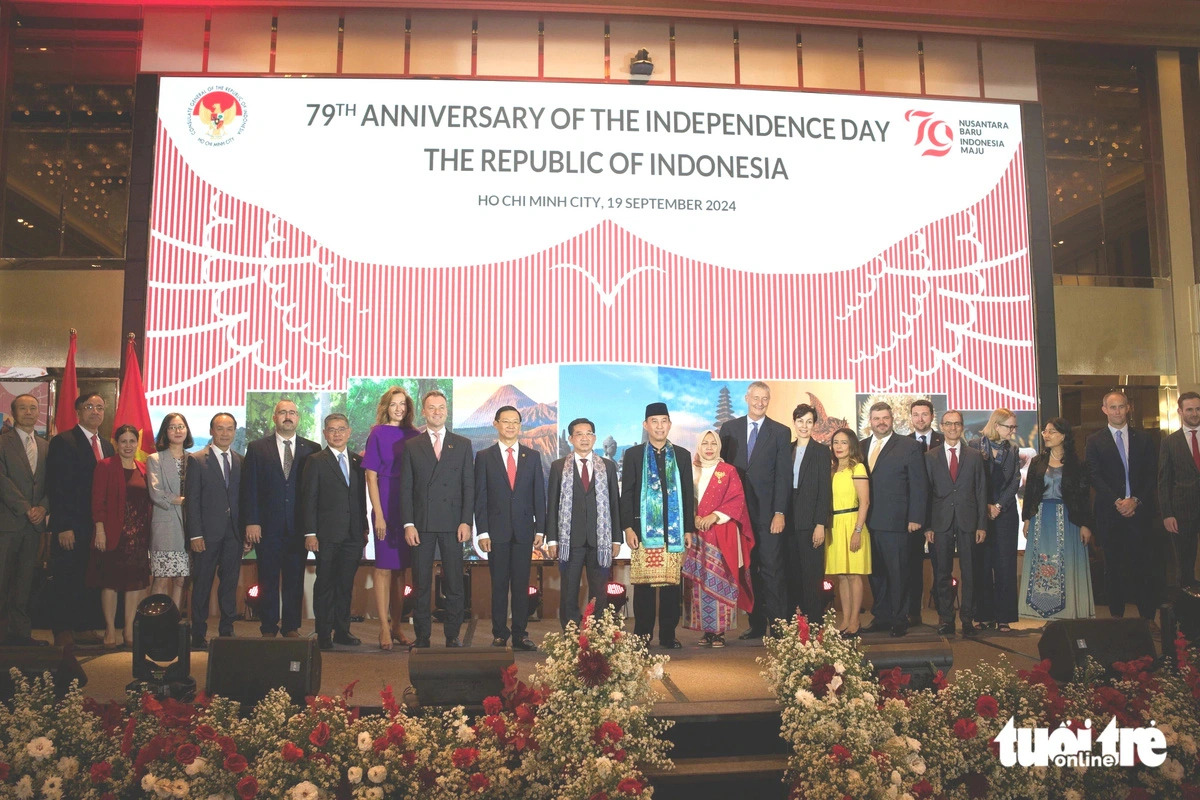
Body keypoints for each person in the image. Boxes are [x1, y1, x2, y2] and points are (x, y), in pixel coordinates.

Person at [400, 390, 474, 649]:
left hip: (454, 525)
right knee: (421, 584)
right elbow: (406, 488)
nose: (437, 411)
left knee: (454, 583)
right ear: (424, 411)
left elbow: (468, 486)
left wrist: (467, 521)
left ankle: (452, 635)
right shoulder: (412, 446)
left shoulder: (462, 444)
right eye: (431, 408)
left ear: (447, 410)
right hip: (422, 525)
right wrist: (408, 523)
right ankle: (422, 636)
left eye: (441, 407)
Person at [241, 399, 320, 638]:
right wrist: (251, 521)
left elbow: (315, 492)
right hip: (267, 526)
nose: (288, 416)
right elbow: (250, 487)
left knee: (295, 579)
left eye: (292, 412)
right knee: (267, 578)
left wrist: (312, 528)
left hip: (299, 527)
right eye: (283, 412)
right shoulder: (257, 448)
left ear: (298, 418)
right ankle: (268, 626)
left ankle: (291, 626)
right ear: (274, 418)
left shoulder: (312, 449)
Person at [718, 382, 790, 640]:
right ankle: (757, 625)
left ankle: (779, 626)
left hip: (769, 515)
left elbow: (783, 476)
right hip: (737, 515)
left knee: (772, 569)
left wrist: (780, 512)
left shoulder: (780, 432)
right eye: (756, 397)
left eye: (765, 398)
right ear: (747, 398)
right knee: (748, 570)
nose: (760, 402)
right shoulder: (729, 429)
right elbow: (720, 472)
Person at [621, 402, 695, 650]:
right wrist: (628, 528)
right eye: (654, 421)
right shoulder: (633, 455)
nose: (660, 426)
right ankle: (641, 637)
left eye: (664, 421)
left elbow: (686, 493)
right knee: (643, 587)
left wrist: (687, 529)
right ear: (646, 425)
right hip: (643, 531)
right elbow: (627, 493)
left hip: (673, 532)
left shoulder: (682, 455)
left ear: (670, 424)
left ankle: (667, 635)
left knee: (671, 587)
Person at [1084, 390, 1158, 623]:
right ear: (1104, 410)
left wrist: (1134, 500)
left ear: (1129, 408)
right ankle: (1117, 618)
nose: (1117, 411)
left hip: (1140, 512)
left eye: (1121, 406)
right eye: (1112, 407)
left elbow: (1150, 475)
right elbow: (1094, 475)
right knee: (1113, 568)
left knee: (1144, 567)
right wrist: (1118, 501)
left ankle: (1147, 618)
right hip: (1110, 513)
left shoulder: (1144, 439)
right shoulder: (1094, 440)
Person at [475, 405, 545, 651]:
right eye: (506, 421)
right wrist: (482, 531)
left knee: (520, 584)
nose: (511, 426)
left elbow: (539, 495)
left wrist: (541, 529)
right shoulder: (484, 457)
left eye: (516, 421)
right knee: (499, 584)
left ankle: (520, 633)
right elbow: (480, 496)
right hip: (496, 532)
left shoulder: (532, 456)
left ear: (520, 425)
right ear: (496, 423)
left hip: (525, 530)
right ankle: (499, 633)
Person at [47, 392, 113, 647]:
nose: (95, 411)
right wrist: (63, 526)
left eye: (100, 407)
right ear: (78, 412)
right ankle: (62, 629)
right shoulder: (64, 441)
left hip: (97, 526)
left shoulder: (106, 445)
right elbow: (57, 486)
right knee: (67, 576)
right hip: (72, 525)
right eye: (89, 407)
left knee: (89, 576)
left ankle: (83, 626)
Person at [300, 413, 368, 651]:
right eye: (332, 429)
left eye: (341, 429)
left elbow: (361, 499)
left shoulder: (359, 462)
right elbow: (309, 499)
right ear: (325, 433)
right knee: (325, 584)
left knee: (345, 585)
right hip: (326, 535)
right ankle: (323, 633)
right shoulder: (316, 460)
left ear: (349, 432)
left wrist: (364, 530)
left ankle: (342, 630)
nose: (337, 433)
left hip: (353, 536)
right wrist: (310, 533)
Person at [545, 418, 621, 630]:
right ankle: (570, 631)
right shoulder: (559, 467)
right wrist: (552, 539)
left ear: (595, 438)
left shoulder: (607, 466)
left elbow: (615, 502)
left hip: (601, 540)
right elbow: (551, 505)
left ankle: (597, 632)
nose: (584, 438)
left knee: (599, 591)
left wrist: (616, 538)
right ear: (571, 439)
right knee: (569, 590)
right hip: (570, 540)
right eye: (579, 434)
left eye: (589, 433)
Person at [860, 402, 928, 637]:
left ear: (892, 419)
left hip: (897, 523)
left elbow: (919, 484)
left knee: (898, 573)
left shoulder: (909, 446)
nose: (881, 422)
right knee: (876, 573)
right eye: (877, 418)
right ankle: (882, 616)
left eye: (885, 418)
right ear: (870, 421)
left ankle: (900, 619)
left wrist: (916, 517)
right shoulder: (860, 447)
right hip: (867, 523)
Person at [682, 430, 754, 647]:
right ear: (698, 446)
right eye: (705, 443)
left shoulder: (728, 471)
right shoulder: (690, 470)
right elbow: (685, 499)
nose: (709, 447)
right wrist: (691, 517)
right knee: (699, 583)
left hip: (722, 533)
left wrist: (714, 516)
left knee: (722, 580)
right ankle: (705, 630)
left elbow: (737, 500)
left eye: (714, 443)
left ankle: (720, 631)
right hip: (696, 534)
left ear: (720, 446)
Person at [363, 386, 420, 650]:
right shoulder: (377, 433)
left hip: (408, 505)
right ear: (386, 407)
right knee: (384, 567)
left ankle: (398, 626)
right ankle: (384, 627)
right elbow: (371, 476)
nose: (399, 408)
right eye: (394, 404)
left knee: (401, 570)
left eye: (403, 405)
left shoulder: (415, 434)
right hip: (385, 501)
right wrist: (379, 516)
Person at [1019, 418, 1094, 620]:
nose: (1046, 435)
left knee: (1067, 561)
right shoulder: (1037, 462)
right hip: (1041, 518)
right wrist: (1027, 519)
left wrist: (1085, 524)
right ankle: (1040, 610)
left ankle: (1069, 610)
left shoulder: (1077, 464)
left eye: (1051, 431)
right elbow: (1030, 493)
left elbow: (1083, 496)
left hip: (1069, 519)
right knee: (1042, 560)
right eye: (1044, 431)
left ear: (1063, 435)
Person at [923, 411, 987, 638]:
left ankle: (967, 619)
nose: (952, 428)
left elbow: (981, 491)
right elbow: (927, 493)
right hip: (940, 522)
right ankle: (947, 620)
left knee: (970, 572)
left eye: (956, 424)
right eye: (948, 424)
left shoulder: (974, 455)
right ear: (941, 426)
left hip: (968, 521)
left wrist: (982, 525)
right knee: (941, 572)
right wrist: (928, 526)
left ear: (962, 427)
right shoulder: (930, 457)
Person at [89, 424, 151, 648]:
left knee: (135, 585)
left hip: (139, 538)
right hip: (113, 534)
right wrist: (100, 530)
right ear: (116, 443)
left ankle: (128, 630)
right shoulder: (105, 466)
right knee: (111, 583)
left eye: (131, 441)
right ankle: (109, 630)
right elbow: (98, 501)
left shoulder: (143, 467)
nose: (127, 445)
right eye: (123, 441)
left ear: (137, 443)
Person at [185, 413, 243, 649]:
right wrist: (195, 535)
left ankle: (227, 630)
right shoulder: (197, 460)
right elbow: (192, 500)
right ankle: (198, 634)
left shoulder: (241, 460)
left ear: (235, 432)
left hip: (234, 534)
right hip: (206, 535)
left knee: (229, 584)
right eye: (220, 428)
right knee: (202, 585)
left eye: (230, 429)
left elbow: (243, 499)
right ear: (212, 430)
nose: (225, 433)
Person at [0, 394, 50, 646]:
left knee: (24, 581)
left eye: (33, 407)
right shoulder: (2, 442)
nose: (29, 412)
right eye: (23, 408)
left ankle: (20, 634)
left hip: (34, 526)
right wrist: (25, 507)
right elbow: (2, 480)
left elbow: (52, 483)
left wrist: (42, 506)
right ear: (14, 412)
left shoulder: (45, 445)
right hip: (8, 523)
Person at [969, 408, 1022, 632]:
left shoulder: (1013, 449)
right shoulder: (974, 445)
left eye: (1014, 427)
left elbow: (1015, 481)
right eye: (1009, 427)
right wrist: (986, 506)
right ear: (996, 425)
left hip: (1005, 513)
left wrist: (999, 505)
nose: (1012, 431)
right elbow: (971, 480)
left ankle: (1004, 617)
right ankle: (982, 615)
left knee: (1005, 565)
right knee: (981, 564)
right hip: (980, 513)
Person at [784, 403, 832, 626]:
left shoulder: (822, 451)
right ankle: (795, 622)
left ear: (814, 424)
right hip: (786, 522)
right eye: (800, 421)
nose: (804, 426)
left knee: (812, 576)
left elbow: (824, 490)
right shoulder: (785, 448)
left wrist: (820, 523)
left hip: (811, 522)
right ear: (794, 422)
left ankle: (814, 624)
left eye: (809, 422)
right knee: (791, 573)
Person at [826, 428, 871, 636]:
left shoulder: (858, 468)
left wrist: (858, 530)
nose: (839, 447)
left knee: (854, 575)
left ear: (852, 445)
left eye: (844, 442)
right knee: (841, 576)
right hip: (835, 525)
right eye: (836, 442)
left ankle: (855, 621)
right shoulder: (832, 469)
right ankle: (844, 620)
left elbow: (865, 502)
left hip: (853, 523)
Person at [146, 413, 191, 608]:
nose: (177, 431)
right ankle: (155, 624)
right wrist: (184, 501)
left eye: (181, 426)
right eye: (172, 427)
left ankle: (173, 623)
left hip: (189, 527)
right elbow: (156, 493)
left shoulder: (195, 459)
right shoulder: (155, 459)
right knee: (162, 578)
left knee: (181, 579)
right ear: (165, 431)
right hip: (165, 526)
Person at [905, 398, 943, 627]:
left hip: (940, 514)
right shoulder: (903, 443)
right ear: (911, 417)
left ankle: (943, 615)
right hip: (913, 515)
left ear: (932, 416)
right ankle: (913, 612)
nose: (920, 418)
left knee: (941, 566)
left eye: (924, 414)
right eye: (916, 414)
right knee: (912, 565)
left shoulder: (944, 440)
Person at [1159, 391, 1200, 588]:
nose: (1195, 413)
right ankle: (1188, 614)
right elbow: (1163, 480)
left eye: (1198, 409)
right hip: (1183, 512)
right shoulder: (1169, 442)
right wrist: (1167, 514)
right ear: (1180, 411)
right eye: (1190, 409)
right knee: (1185, 566)